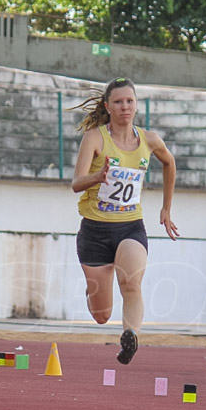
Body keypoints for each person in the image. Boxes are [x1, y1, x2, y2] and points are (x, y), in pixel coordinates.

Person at [71, 77, 178, 364]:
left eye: (129, 101)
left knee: (130, 283)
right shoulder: (95, 138)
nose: (125, 107)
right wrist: (98, 176)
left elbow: (169, 162)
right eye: (118, 102)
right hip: (94, 232)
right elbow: (76, 183)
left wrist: (166, 208)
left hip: (130, 227)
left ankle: (131, 335)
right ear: (108, 106)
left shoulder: (149, 140)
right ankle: (93, 291)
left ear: (136, 104)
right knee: (102, 315)